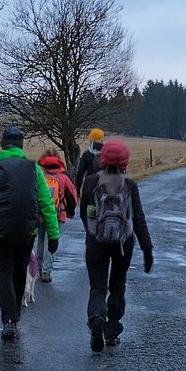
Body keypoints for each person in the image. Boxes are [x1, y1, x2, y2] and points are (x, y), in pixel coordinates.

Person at [0, 126, 58, 342]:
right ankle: (15, 316)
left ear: (3, 145)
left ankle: (8, 320)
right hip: (26, 230)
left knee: (3, 271)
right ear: (21, 146)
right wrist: (53, 234)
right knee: (20, 270)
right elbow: (46, 203)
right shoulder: (34, 169)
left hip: (1, 230)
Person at [78, 138, 153, 353]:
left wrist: (91, 233)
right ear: (125, 161)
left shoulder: (91, 182)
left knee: (97, 287)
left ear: (103, 158)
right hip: (123, 244)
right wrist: (147, 249)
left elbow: (84, 213)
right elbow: (138, 219)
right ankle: (111, 331)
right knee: (118, 286)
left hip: (96, 242)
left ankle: (96, 318)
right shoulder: (130, 185)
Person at [35, 151, 80, 282]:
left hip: (39, 214)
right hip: (57, 213)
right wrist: (69, 212)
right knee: (51, 241)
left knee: (40, 239)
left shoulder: (39, 174)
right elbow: (72, 196)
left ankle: (37, 269)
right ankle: (46, 271)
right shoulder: (63, 176)